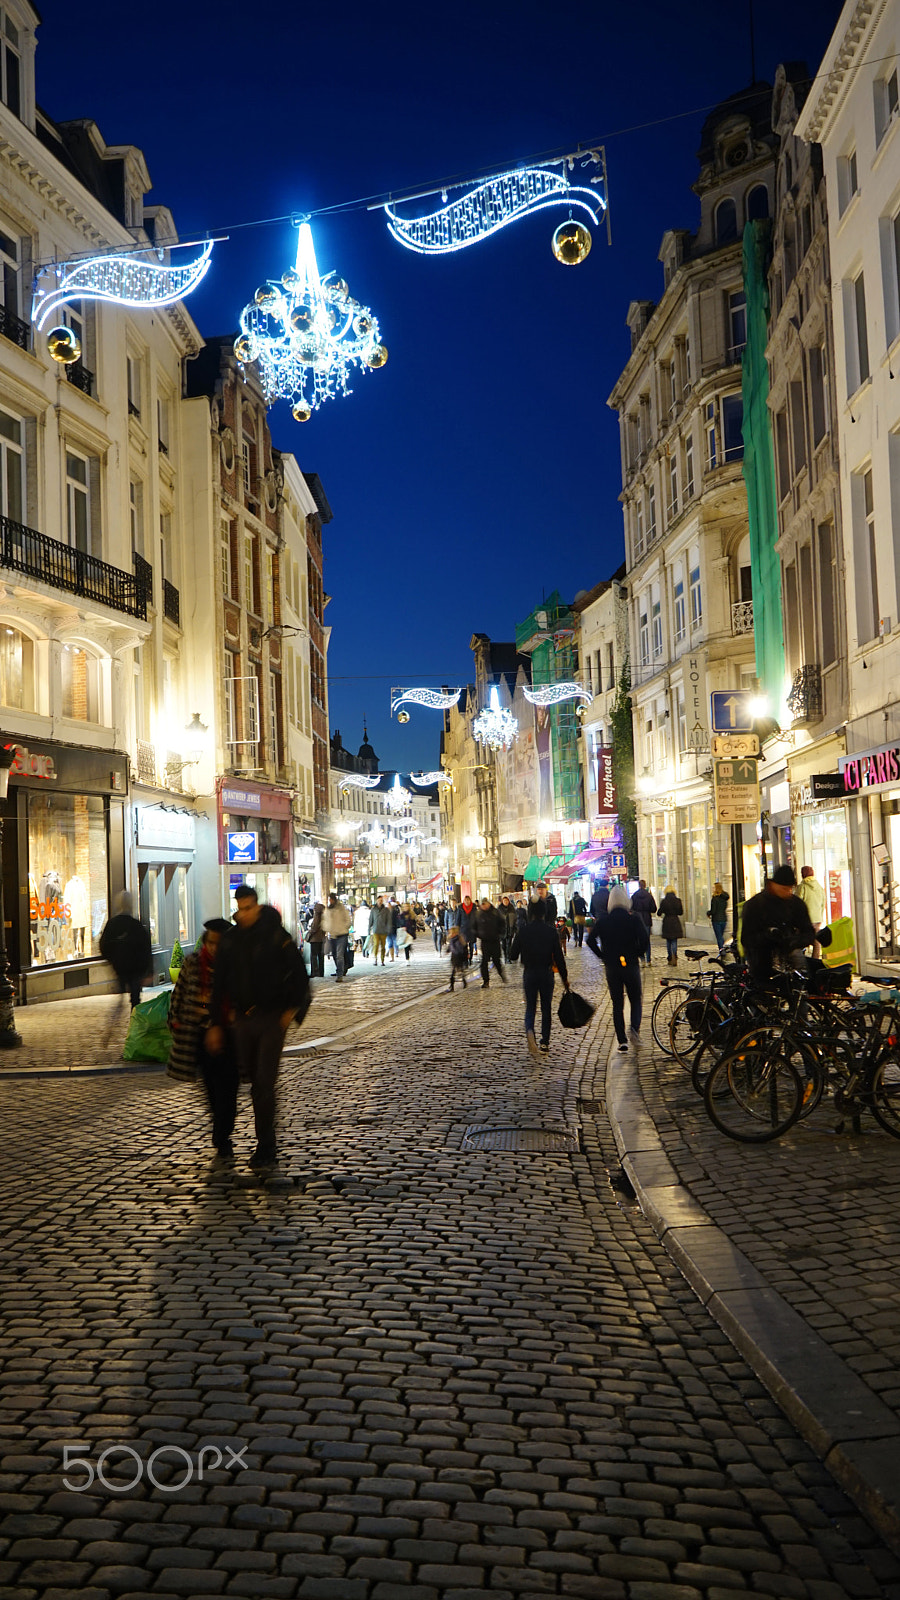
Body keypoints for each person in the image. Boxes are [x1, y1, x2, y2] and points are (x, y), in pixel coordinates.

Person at [206, 885, 310, 1168]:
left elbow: (299, 973)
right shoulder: (230, 941)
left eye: (249, 908)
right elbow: (220, 984)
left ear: (258, 906)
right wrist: (216, 1023)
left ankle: (266, 1146)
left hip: (271, 1017)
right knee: (252, 1081)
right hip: (242, 1019)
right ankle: (259, 1138)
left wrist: (293, 1009)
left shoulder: (276, 935)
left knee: (263, 1083)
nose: (244, 914)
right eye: (240, 909)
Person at [168, 918, 238, 1159]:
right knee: (210, 1085)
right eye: (210, 942)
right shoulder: (193, 962)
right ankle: (220, 1132)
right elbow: (180, 992)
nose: (214, 948)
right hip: (198, 1033)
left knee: (228, 1087)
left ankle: (223, 1130)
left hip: (228, 1035)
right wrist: (175, 1019)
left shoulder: (234, 965)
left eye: (219, 943)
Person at [587, 884, 649, 1050]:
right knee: (635, 999)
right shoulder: (633, 919)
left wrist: (602, 955)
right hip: (630, 964)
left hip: (612, 966)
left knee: (617, 1003)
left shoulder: (604, 921)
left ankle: (622, 1040)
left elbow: (590, 940)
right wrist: (638, 953)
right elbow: (644, 939)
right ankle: (634, 1029)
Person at [741, 865, 829, 981]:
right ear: (773, 885)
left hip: (790, 960)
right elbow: (746, 938)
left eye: (790, 888)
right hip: (762, 963)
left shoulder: (795, 904)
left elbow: (807, 931)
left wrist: (794, 942)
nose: (788, 892)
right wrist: (767, 937)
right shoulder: (756, 905)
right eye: (784, 888)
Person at [509, 898, 569, 1059]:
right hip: (546, 972)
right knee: (546, 1008)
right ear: (543, 913)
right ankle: (544, 1042)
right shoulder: (550, 931)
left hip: (529, 973)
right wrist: (564, 978)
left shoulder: (524, 930)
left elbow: (512, 955)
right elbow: (559, 957)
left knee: (530, 1007)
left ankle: (530, 1030)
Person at [100, 891, 153, 1044]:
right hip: (135, 969)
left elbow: (103, 945)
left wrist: (113, 960)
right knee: (135, 1001)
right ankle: (134, 1033)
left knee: (119, 1001)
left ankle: (110, 1028)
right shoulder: (136, 925)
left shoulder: (113, 924)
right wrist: (147, 970)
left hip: (120, 967)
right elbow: (145, 949)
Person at [796, 865, 826, 959]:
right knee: (816, 942)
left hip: (806, 920)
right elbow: (823, 903)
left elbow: (797, 904)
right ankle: (815, 961)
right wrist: (820, 917)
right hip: (817, 919)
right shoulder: (819, 887)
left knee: (799, 940)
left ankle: (800, 962)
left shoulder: (802, 887)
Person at [476, 897, 507, 987]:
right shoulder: (479, 914)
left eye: (485, 904)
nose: (484, 906)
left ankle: (502, 975)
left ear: (488, 903)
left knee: (496, 960)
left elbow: (502, 923)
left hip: (495, 940)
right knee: (484, 962)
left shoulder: (495, 912)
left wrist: (500, 934)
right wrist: (478, 934)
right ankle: (486, 981)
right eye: (482, 904)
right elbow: (474, 925)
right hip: (484, 941)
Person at [323, 893, 352, 981]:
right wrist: (327, 929)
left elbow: (348, 919)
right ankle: (340, 970)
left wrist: (345, 927)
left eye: (330, 899)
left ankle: (340, 974)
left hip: (342, 934)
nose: (330, 901)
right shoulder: (328, 910)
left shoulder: (341, 908)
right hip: (332, 935)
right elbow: (325, 921)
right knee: (335, 955)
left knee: (339, 955)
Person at [631, 880, 657, 965]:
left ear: (639, 885)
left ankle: (642, 959)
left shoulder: (634, 896)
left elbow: (631, 907)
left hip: (637, 920)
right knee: (647, 940)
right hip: (646, 919)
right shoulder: (649, 896)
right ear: (645, 885)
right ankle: (648, 959)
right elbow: (654, 908)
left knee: (639, 940)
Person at [658, 887, 684, 965]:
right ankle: (674, 956)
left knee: (668, 941)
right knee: (674, 940)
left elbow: (659, 913)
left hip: (667, 922)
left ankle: (669, 957)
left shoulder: (664, 901)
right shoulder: (678, 901)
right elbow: (681, 912)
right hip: (675, 921)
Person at [707, 881, 730, 953]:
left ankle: (722, 949)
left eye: (713, 887)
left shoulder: (715, 898)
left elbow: (713, 911)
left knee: (719, 936)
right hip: (723, 918)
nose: (712, 889)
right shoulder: (724, 898)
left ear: (716, 888)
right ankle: (722, 948)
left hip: (716, 919)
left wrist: (708, 913)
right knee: (721, 935)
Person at [369, 896, 392, 965]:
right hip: (376, 930)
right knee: (376, 945)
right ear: (376, 901)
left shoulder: (386, 910)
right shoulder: (373, 910)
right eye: (379, 900)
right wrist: (369, 929)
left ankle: (382, 959)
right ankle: (375, 958)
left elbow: (389, 920)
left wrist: (388, 929)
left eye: (381, 900)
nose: (380, 901)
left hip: (383, 930)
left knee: (383, 946)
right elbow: (371, 920)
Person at [445, 925, 469, 991]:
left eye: (452, 933)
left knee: (456, 971)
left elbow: (462, 949)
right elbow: (450, 947)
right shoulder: (452, 940)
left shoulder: (459, 940)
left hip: (458, 957)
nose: (451, 934)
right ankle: (460, 983)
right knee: (458, 971)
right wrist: (448, 950)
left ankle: (452, 985)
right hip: (454, 957)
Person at [307, 901, 326, 978]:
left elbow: (314, 927)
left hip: (315, 939)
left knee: (314, 956)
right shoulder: (324, 917)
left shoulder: (317, 917)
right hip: (321, 938)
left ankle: (314, 972)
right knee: (321, 956)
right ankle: (321, 972)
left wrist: (310, 933)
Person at [458, 894, 477, 962]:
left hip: (472, 929)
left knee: (471, 944)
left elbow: (476, 918)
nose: (467, 902)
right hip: (463, 929)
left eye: (468, 900)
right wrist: (457, 929)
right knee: (464, 945)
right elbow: (458, 919)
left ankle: (470, 958)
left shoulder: (474, 908)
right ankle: (465, 958)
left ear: (470, 900)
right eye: (465, 900)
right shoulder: (460, 908)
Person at [499, 895, 518, 961]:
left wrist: (515, 928)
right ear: (502, 902)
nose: (505, 902)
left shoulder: (512, 909)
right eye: (504, 901)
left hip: (510, 928)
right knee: (503, 945)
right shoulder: (499, 909)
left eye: (506, 901)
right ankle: (505, 955)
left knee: (509, 944)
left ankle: (508, 958)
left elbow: (515, 919)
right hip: (502, 929)